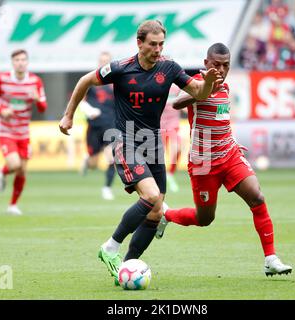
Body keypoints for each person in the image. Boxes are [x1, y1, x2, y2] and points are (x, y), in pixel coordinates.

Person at [59, 20, 222, 285]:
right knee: (151, 195)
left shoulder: (169, 67)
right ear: (139, 43)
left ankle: (125, 268)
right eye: (152, 44)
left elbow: (197, 92)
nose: (158, 50)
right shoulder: (121, 68)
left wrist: (209, 85)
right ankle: (110, 247)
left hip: (153, 143)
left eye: (161, 44)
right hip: (126, 140)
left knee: (156, 212)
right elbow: (84, 81)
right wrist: (68, 116)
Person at [155, 43, 292, 277]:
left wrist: (232, 141)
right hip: (203, 163)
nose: (220, 70)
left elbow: (222, 120)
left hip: (229, 155)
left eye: (225, 65)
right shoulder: (195, 82)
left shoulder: (226, 87)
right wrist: (205, 87)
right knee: (204, 218)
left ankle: (270, 258)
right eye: (216, 65)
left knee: (257, 197)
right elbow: (177, 103)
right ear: (206, 63)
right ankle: (166, 215)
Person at [0, 49, 48, 215]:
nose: (20, 62)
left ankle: (12, 205)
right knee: (14, 164)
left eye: (23, 60)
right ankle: (3, 171)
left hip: (24, 131)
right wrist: (1, 110)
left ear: (27, 62)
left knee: (22, 170)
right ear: (12, 62)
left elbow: (42, 108)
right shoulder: (1, 79)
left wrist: (36, 100)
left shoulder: (35, 81)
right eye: (17, 60)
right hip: (6, 130)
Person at [79, 52, 116, 200]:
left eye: (106, 61)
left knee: (112, 158)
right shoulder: (90, 80)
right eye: (101, 61)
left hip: (112, 125)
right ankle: (88, 160)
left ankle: (107, 188)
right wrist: (89, 110)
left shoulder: (116, 82)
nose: (104, 64)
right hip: (94, 126)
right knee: (94, 163)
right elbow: (80, 100)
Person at [160, 84, 182, 193]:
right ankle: (161, 178)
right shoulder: (157, 84)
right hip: (159, 125)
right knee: (159, 155)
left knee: (177, 149)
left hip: (173, 124)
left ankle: (170, 174)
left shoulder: (177, 88)